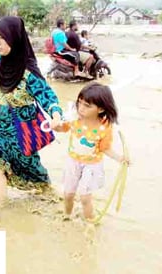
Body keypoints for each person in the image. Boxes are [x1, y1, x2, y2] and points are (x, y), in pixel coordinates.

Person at [0, 16, 63, 212]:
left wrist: (56, 115)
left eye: (3, 37)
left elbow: (47, 95)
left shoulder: (28, 71)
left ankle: (51, 195)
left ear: (15, 38)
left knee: (33, 172)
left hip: (20, 131)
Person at [54, 82, 130, 221]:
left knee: (85, 197)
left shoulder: (104, 127)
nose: (81, 108)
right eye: (79, 103)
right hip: (73, 161)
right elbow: (62, 128)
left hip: (92, 165)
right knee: (68, 194)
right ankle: (67, 216)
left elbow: (104, 148)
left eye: (87, 106)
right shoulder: (74, 119)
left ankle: (90, 222)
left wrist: (120, 158)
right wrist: (55, 125)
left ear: (100, 109)